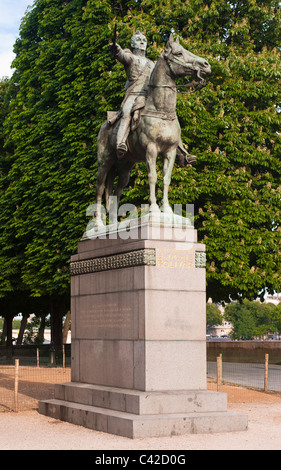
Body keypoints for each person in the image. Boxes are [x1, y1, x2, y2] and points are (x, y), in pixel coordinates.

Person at [109, 31, 155, 159]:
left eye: (144, 40)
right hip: (134, 95)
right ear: (132, 43)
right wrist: (117, 49)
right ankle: (121, 143)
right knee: (127, 112)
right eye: (138, 39)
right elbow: (122, 55)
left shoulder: (152, 63)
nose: (142, 42)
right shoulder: (131, 57)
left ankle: (181, 152)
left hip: (149, 97)